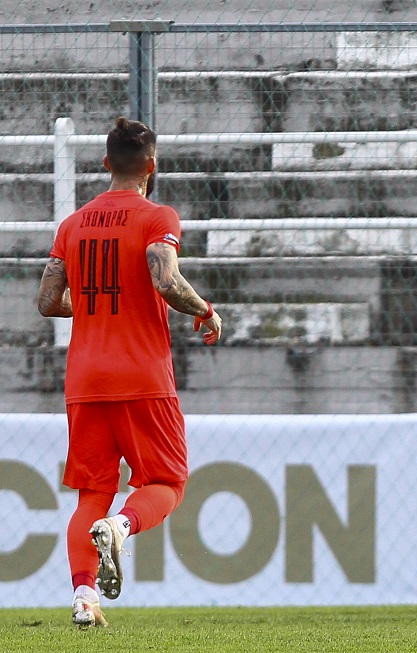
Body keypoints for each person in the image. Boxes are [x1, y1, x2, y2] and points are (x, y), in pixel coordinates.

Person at [36, 117, 222, 628]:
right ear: (152, 167)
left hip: (85, 380)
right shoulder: (156, 215)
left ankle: (83, 598)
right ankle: (121, 526)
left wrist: (96, 307)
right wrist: (205, 310)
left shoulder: (72, 225)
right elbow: (165, 278)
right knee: (167, 480)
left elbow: (48, 301)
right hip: (141, 376)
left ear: (104, 164)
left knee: (91, 492)